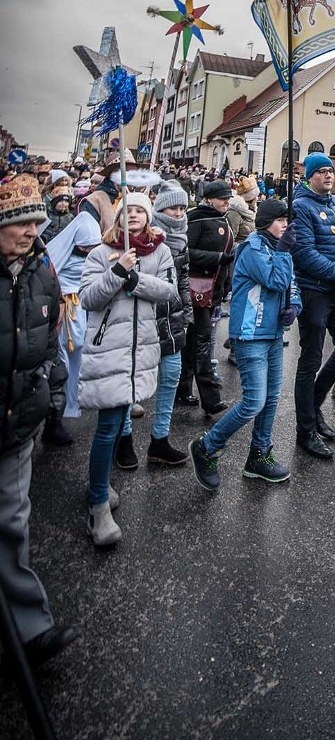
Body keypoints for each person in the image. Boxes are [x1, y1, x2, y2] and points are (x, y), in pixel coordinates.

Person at [0, 175, 78, 664]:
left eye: (36, 221)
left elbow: (49, 331)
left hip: (18, 418)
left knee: (12, 520)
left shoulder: (41, 267)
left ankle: (29, 629)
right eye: (21, 222)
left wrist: (45, 385)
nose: (32, 231)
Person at [78, 193, 178, 547]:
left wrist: (136, 281)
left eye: (140, 210)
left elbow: (169, 291)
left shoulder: (159, 251)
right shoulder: (100, 253)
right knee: (109, 426)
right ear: (117, 217)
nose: (133, 215)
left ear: (148, 218)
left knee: (120, 419)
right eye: (127, 210)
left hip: (141, 351)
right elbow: (88, 297)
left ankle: (100, 483)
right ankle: (97, 504)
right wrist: (117, 270)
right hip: (110, 350)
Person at [190, 199, 301, 491]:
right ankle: (207, 446)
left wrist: (295, 307)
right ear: (265, 222)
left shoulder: (280, 248)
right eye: (280, 220)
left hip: (273, 332)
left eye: (286, 220)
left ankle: (259, 455)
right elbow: (277, 281)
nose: (285, 225)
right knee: (254, 400)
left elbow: (292, 284)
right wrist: (284, 251)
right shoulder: (252, 248)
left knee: (271, 397)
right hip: (251, 333)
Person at [290, 153, 335, 459]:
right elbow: (304, 254)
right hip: (315, 291)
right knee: (310, 359)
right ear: (309, 176)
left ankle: (315, 405)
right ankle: (305, 429)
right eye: (321, 172)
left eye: (331, 171)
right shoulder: (299, 207)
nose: (328, 176)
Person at [44, 208, 102, 442]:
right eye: (85, 247)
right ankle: (55, 415)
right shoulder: (55, 254)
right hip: (63, 313)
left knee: (79, 355)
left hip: (82, 310)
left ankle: (73, 401)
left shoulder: (93, 254)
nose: (89, 252)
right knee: (61, 362)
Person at [147, 182, 193, 466]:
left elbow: (184, 280)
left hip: (174, 318)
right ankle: (123, 436)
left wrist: (186, 313)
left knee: (171, 378)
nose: (178, 213)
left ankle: (160, 440)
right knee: (137, 383)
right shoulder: (147, 237)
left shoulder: (183, 239)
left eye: (181, 207)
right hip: (149, 317)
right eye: (172, 207)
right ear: (159, 208)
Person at [180, 179, 233, 415]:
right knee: (202, 341)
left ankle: (182, 388)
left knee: (194, 340)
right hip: (197, 289)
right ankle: (210, 398)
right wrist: (216, 258)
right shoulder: (197, 218)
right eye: (222, 198)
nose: (226, 202)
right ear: (209, 199)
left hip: (214, 290)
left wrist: (227, 282)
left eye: (228, 198)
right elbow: (186, 252)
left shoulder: (223, 219)